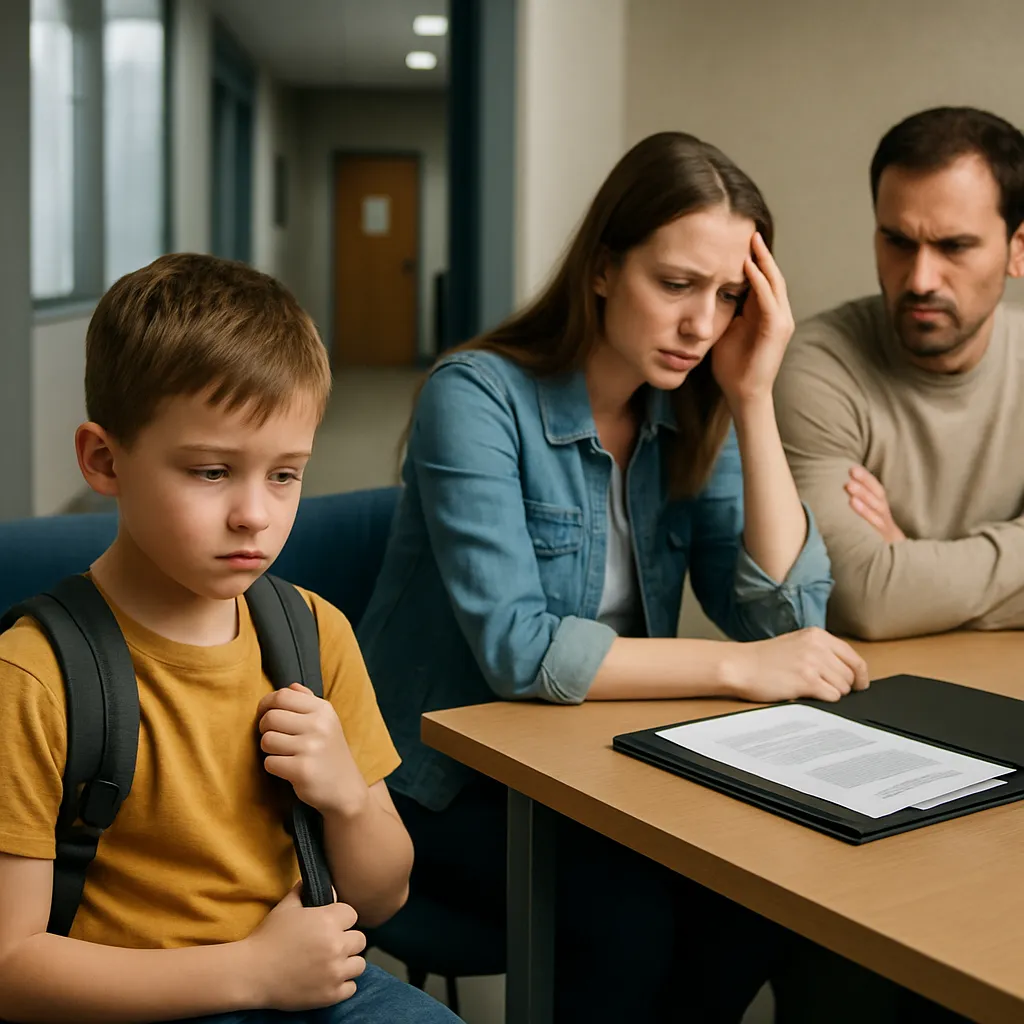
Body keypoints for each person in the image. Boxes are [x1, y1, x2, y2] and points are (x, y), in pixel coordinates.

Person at [358, 131, 870, 1022]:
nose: (702, 325)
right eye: (676, 284)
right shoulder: (474, 396)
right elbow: (519, 651)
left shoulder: (689, 412)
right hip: (437, 782)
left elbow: (787, 616)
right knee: (628, 922)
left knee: (761, 897)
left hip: (593, 762)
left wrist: (752, 398)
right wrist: (738, 669)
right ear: (602, 268)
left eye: (729, 295)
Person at [0, 254, 460, 1024]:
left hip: (306, 986)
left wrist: (347, 799)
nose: (255, 515)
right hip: (134, 1004)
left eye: (285, 475)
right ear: (105, 461)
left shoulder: (315, 633)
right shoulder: (34, 677)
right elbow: (10, 968)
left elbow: (383, 897)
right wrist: (252, 972)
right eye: (212, 472)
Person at [775, 106, 1024, 640]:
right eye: (898, 241)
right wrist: (898, 590)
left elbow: (889, 592)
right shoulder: (820, 365)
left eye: (954, 246)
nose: (920, 279)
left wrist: (909, 561)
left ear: (1018, 249)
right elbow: (863, 599)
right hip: (876, 684)